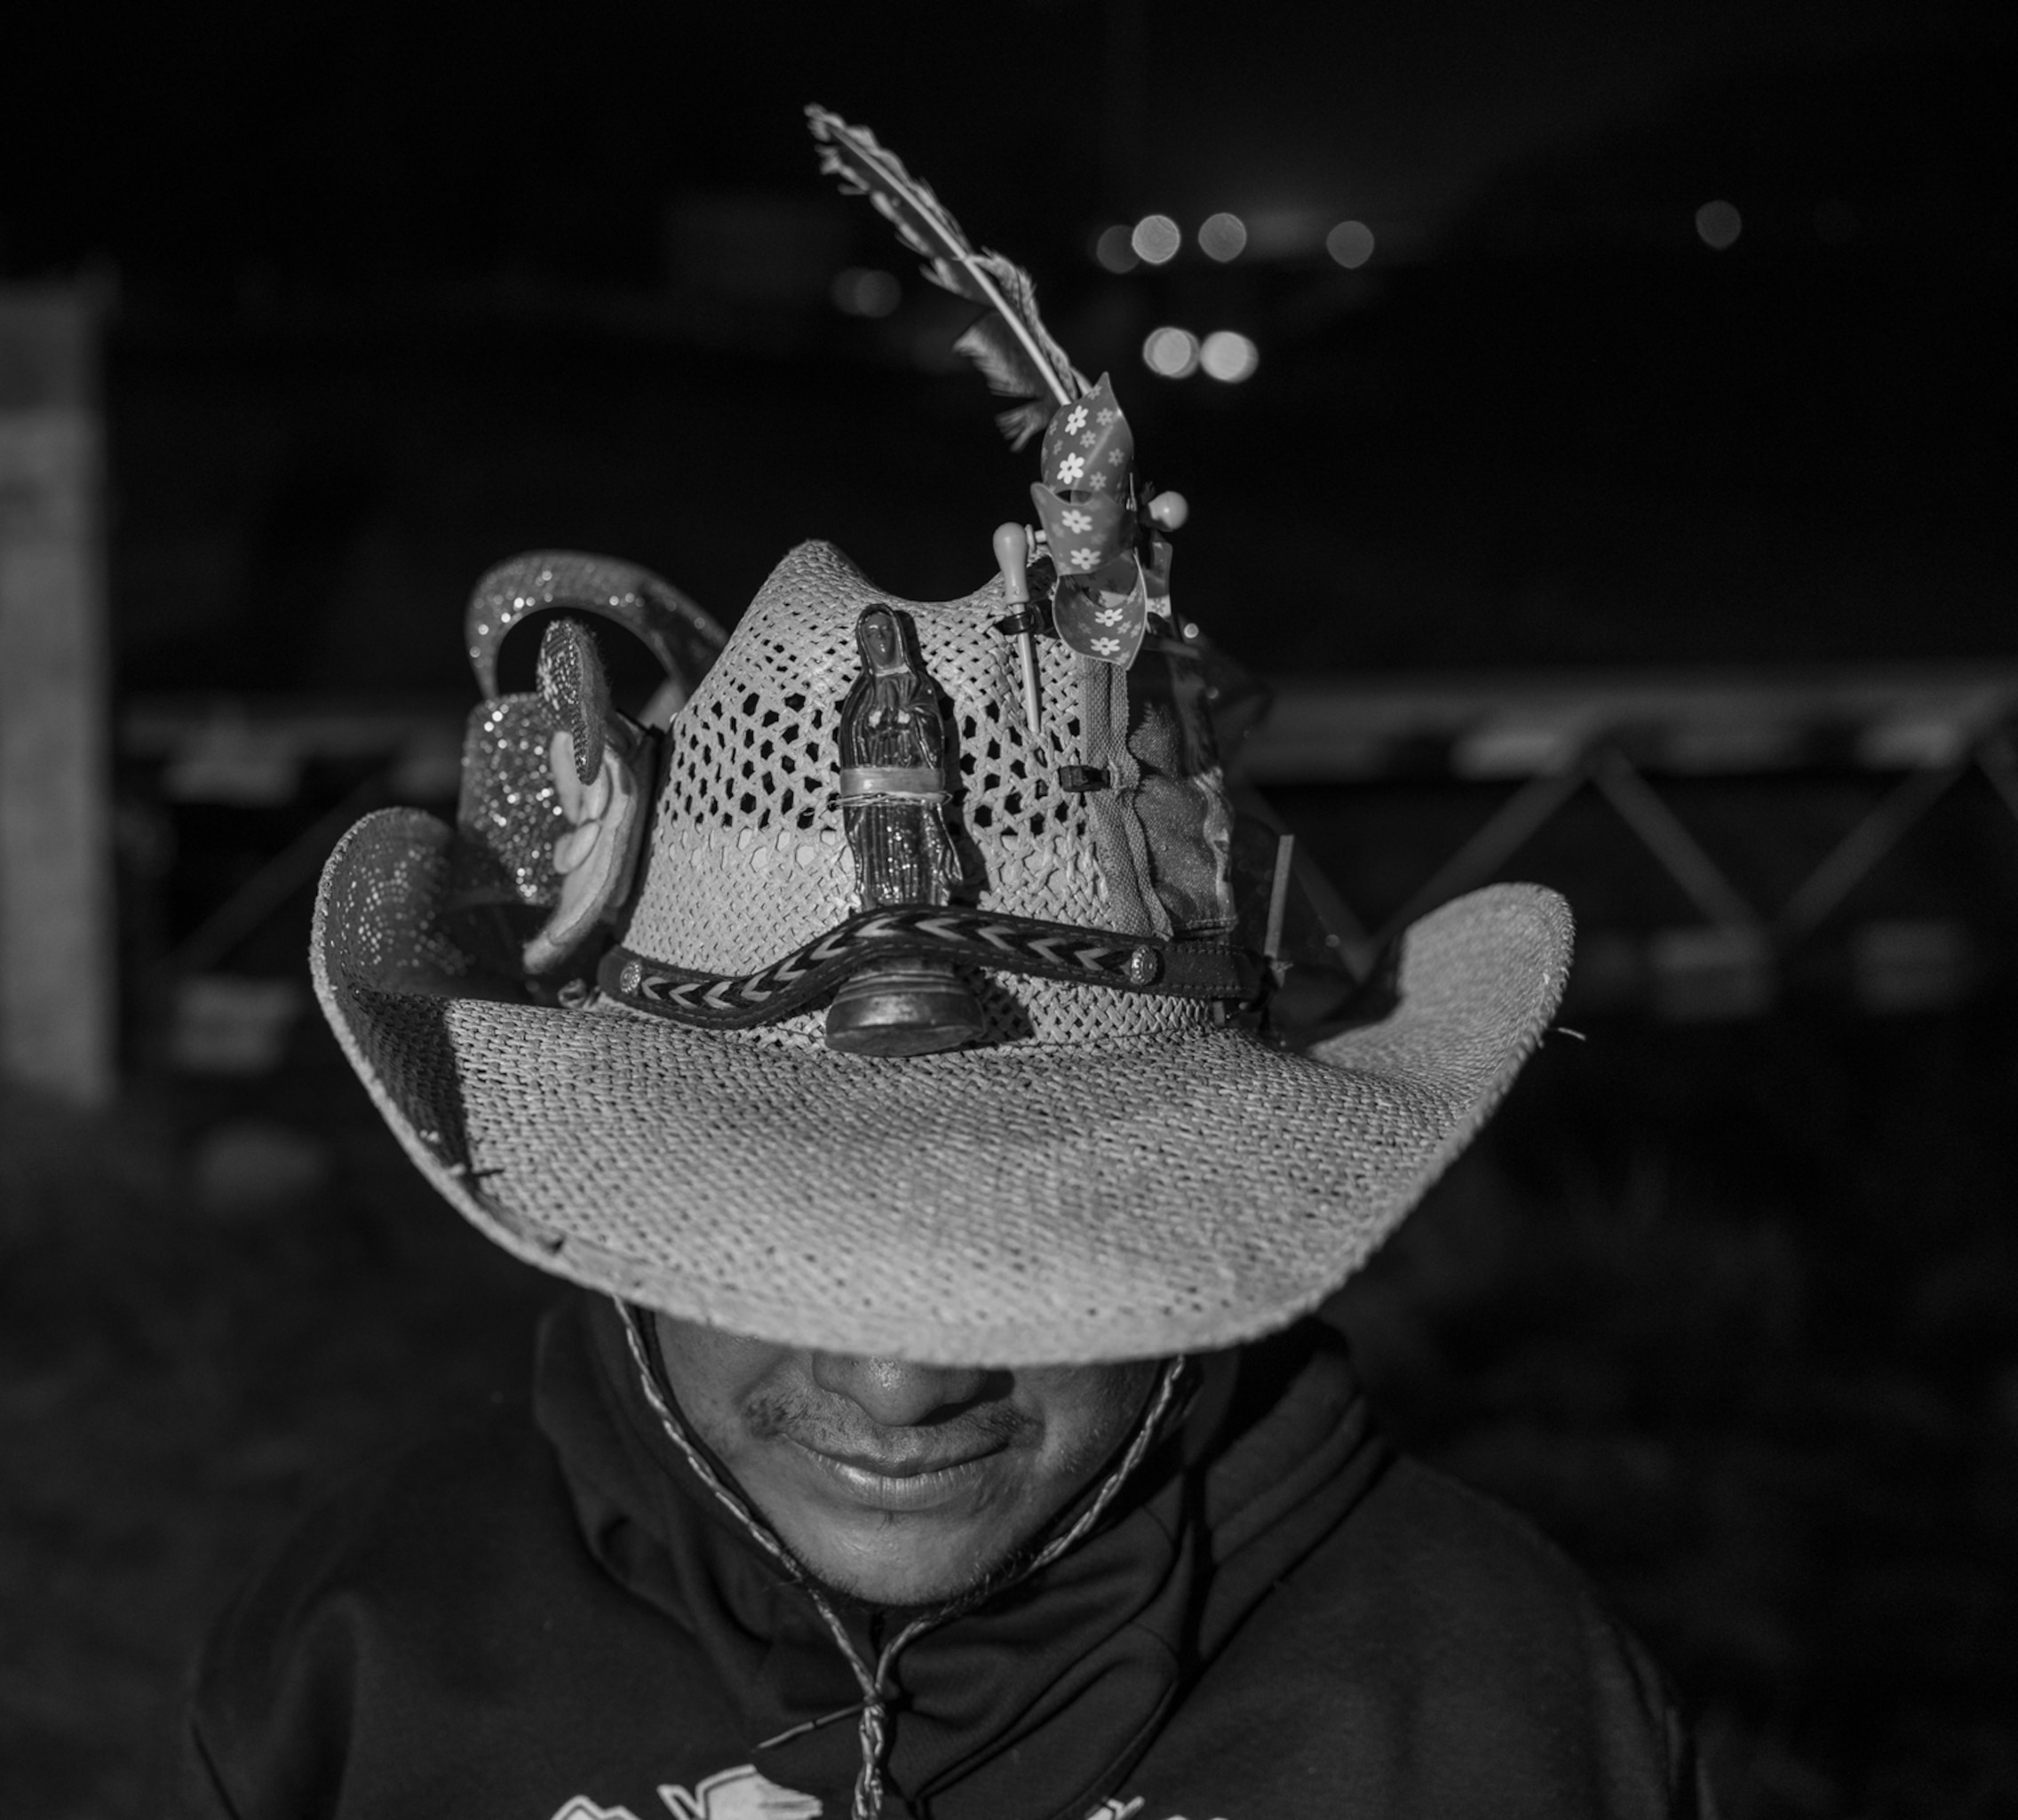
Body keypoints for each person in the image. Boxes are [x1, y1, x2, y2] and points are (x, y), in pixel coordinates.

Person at [171, 113, 1708, 1820]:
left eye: (1029, 1245)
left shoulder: (1491, 1717)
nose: (903, 1384)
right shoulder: (365, 1659)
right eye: (787, 1240)